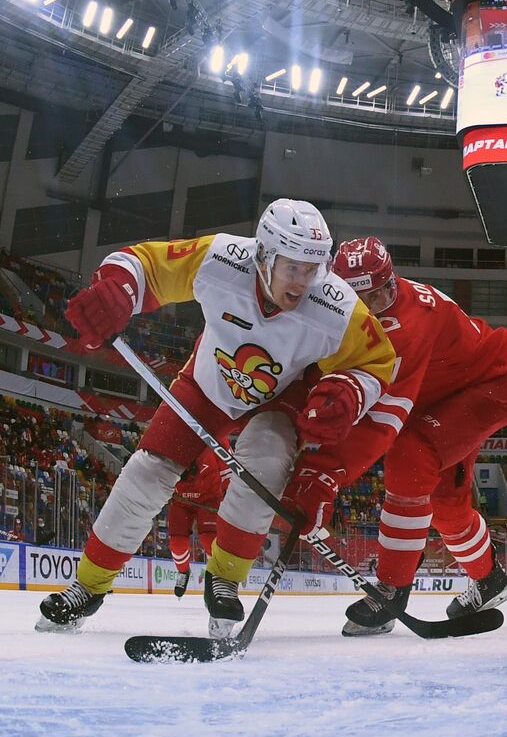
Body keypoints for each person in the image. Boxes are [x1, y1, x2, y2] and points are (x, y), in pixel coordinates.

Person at [36, 199, 397, 636]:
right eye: (293, 267)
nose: (304, 282)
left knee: (262, 465)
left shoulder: (336, 304)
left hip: (279, 400)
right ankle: (87, 586)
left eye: (313, 267)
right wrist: (119, 288)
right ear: (263, 254)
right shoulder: (222, 257)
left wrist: (349, 392)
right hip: (208, 385)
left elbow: (379, 360)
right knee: (147, 472)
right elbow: (147, 264)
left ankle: (224, 580)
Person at [281, 238, 507, 636]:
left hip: (486, 387)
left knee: (410, 458)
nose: (379, 303)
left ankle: (392, 590)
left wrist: (322, 475)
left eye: (384, 291)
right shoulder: (337, 309)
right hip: (437, 398)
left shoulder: (406, 326)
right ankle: (490, 580)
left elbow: (378, 418)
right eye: (366, 298)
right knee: (446, 504)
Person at [166, 452, 228, 599]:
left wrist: (231, 494)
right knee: (177, 543)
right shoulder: (170, 442)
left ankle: (220, 576)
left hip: (209, 499)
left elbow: (228, 469)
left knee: (209, 540)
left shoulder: (211, 439)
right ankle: (183, 572)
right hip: (181, 501)